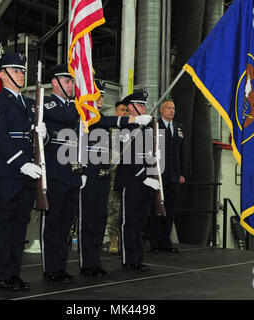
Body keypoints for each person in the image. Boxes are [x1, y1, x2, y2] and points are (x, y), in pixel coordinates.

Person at [0, 52, 47, 291]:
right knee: (4, 221)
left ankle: (13, 273)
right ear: (2, 74)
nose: (21, 74)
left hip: (29, 170)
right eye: (16, 70)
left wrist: (45, 133)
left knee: (21, 222)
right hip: (9, 168)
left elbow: (44, 137)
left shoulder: (32, 103)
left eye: (22, 70)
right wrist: (21, 162)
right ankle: (0, 274)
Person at [79, 81, 152, 277]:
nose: (101, 99)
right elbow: (106, 125)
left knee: (100, 220)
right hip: (88, 174)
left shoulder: (99, 118)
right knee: (87, 222)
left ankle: (94, 262)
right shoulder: (85, 116)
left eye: (102, 96)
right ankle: (87, 263)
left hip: (103, 174)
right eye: (98, 95)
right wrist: (129, 121)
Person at [40, 63, 82, 283]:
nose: (72, 84)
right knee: (53, 222)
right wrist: (81, 104)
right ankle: (50, 268)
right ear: (55, 82)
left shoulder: (74, 106)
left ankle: (60, 265)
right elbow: (66, 116)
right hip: (55, 172)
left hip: (73, 172)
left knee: (66, 224)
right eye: (68, 81)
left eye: (73, 81)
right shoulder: (47, 103)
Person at [114, 90, 160, 272]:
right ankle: (128, 259)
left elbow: (151, 155)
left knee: (141, 222)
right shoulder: (125, 128)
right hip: (131, 181)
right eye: (140, 105)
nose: (144, 107)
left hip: (147, 181)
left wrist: (155, 176)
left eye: (144, 105)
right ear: (131, 107)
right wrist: (144, 177)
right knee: (129, 221)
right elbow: (128, 157)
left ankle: (137, 258)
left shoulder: (148, 129)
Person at [149, 99, 185, 254]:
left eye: (174, 108)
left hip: (173, 175)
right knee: (157, 208)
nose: (172, 110)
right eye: (169, 108)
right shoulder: (156, 126)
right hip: (158, 173)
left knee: (170, 209)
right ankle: (155, 242)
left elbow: (181, 152)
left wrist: (182, 173)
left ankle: (165, 241)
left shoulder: (178, 128)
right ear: (162, 111)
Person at [107, 101, 129, 254]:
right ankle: (113, 239)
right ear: (116, 112)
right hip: (113, 173)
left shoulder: (131, 129)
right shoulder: (109, 129)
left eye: (127, 110)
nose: (124, 113)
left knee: (125, 208)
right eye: (121, 110)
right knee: (114, 208)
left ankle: (124, 238)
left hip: (127, 172)